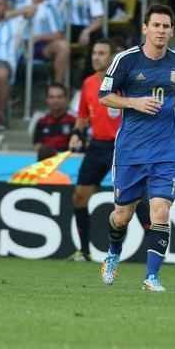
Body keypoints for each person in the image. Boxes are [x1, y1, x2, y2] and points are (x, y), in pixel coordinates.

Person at [97, 5, 175, 293]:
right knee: (122, 216)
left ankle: (151, 277)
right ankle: (113, 255)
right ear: (145, 28)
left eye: (166, 26)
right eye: (156, 25)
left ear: (172, 30)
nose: (162, 31)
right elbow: (104, 97)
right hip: (131, 149)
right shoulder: (125, 60)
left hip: (166, 149)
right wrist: (133, 103)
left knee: (160, 210)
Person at [71, 40, 122, 262]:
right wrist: (76, 133)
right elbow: (83, 116)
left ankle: (152, 252)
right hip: (97, 146)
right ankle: (84, 251)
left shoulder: (123, 83)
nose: (96, 57)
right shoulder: (88, 83)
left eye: (102, 53)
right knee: (79, 197)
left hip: (121, 147)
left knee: (130, 202)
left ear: (111, 58)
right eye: (94, 52)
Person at [32, 83, 78, 154]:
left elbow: (77, 147)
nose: (55, 100)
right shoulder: (41, 122)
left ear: (66, 99)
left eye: (59, 97)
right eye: (51, 97)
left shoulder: (75, 122)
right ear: (47, 99)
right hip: (46, 161)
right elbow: (37, 146)